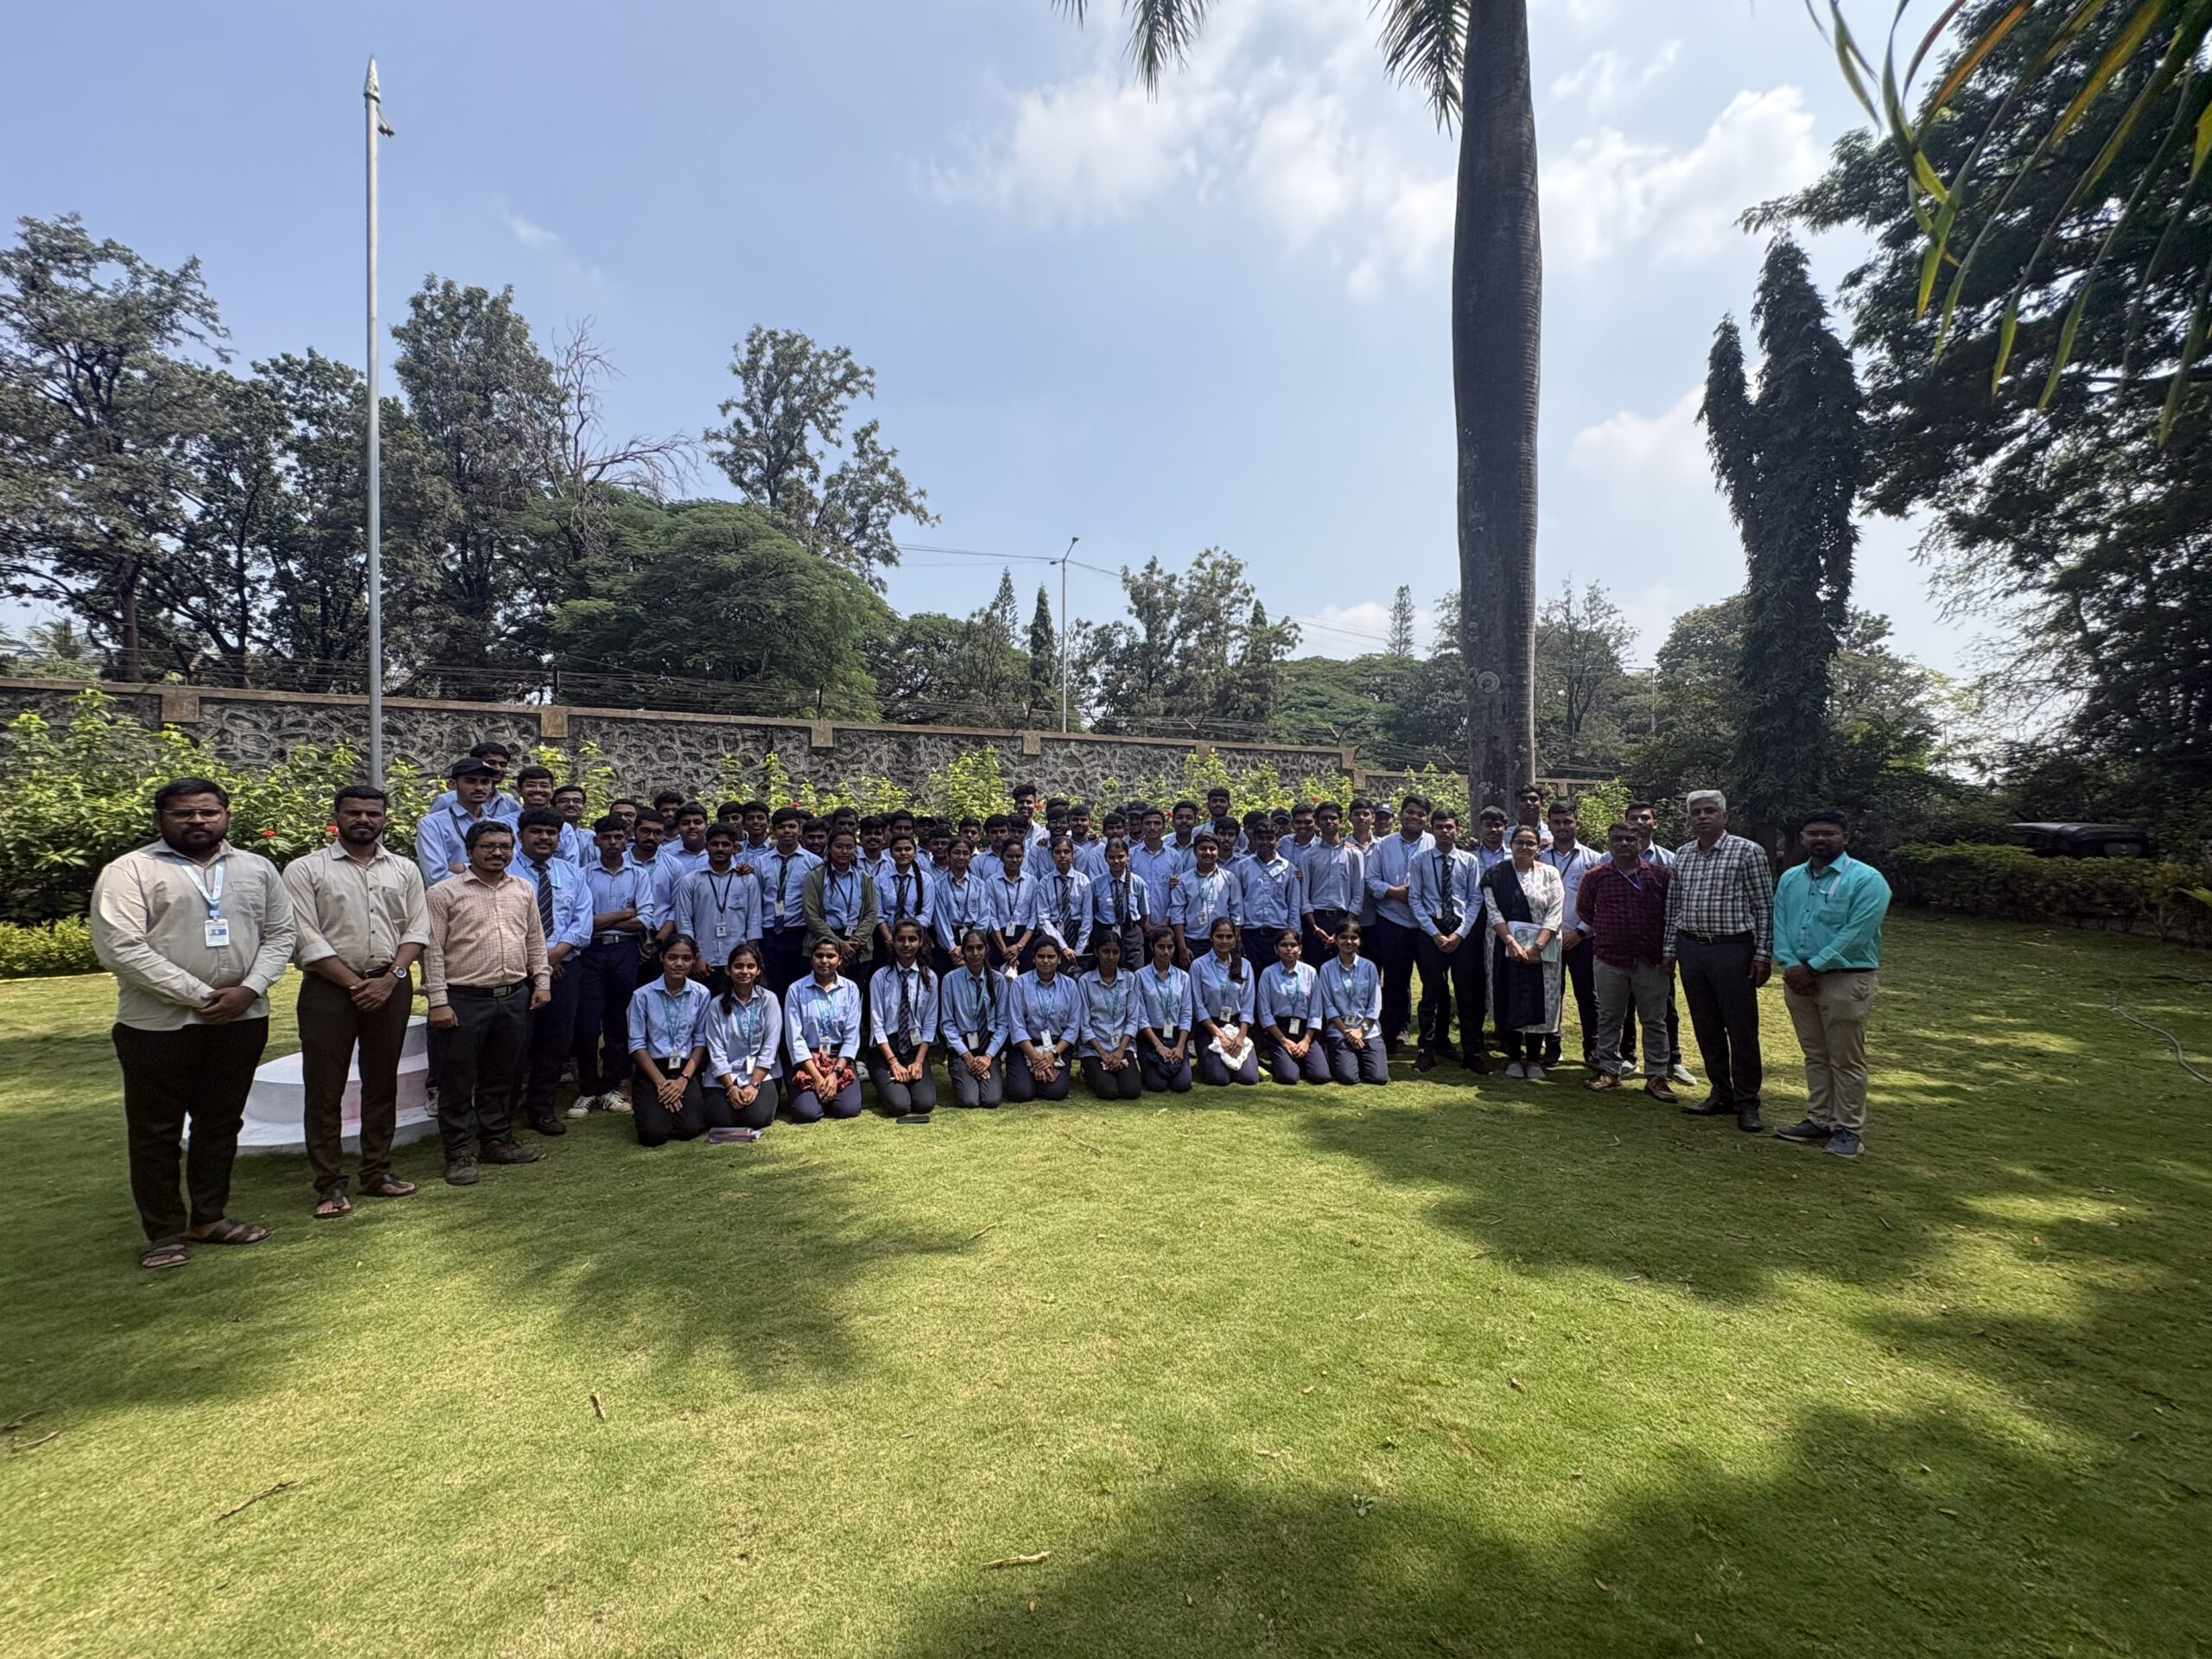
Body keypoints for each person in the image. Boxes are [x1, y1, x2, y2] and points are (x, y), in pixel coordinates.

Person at [92, 778, 296, 1269]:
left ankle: (209, 1216)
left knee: (221, 1122)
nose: (198, 821)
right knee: (156, 1130)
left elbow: (282, 932)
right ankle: (163, 1232)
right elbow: (120, 947)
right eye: (184, 814)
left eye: (208, 812)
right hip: (158, 1025)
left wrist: (249, 989)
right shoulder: (131, 871)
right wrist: (200, 995)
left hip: (243, 1017)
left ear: (226, 814)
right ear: (161, 819)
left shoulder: (255, 867)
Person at [282, 783, 428, 1217]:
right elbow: (304, 935)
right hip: (329, 990)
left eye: (372, 813)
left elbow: (417, 929)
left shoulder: (403, 869)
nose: (363, 820)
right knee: (325, 1088)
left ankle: (378, 1171)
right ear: (337, 817)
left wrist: (392, 978)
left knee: (381, 1081)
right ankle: (329, 1185)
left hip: (391, 983)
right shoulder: (306, 870)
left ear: (385, 819)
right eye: (354, 813)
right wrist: (353, 983)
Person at [423, 819, 550, 1185]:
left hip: (513, 996)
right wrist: (438, 1000)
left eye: (504, 846)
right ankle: (460, 1152)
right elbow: (432, 951)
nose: (498, 853)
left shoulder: (523, 889)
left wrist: (541, 981)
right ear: (470, 851)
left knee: (503, 1076)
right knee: (458, 1079)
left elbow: (535, 941)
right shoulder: (444, 893)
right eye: (488, 846)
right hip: (463, 998)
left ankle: (497, 1140)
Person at [1771, 810, 1892, 1160]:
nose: (1820, 839)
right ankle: (1819, 1119)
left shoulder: (1867, 880)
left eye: (1828, 833)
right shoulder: (1792, 878)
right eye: (1812, 833)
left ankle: (1848, 1129)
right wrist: (1791, 964)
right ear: (1802, 837)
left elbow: (1857, 933)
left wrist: (1814, 965)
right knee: (1815, 1055)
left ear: (1845, 838)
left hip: (1845, 979)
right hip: (1798, 979)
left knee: (1845, 1058)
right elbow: (1780, 922)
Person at [1662, 790, 1776, 1134]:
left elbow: (1765, 907)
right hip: (1692, 949)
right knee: (1706, 1025)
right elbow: (1674, 906)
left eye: (1710, 811)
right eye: (1696, 812)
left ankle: (1747, 1102)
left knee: (1741, 1028)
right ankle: (1720, 1093)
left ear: (1724, 816)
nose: (1703, 817)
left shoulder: (1747, 851)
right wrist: (1669, 949)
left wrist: (1763, 954)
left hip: (1733, 950)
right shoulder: (1683, 854)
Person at [1575, 822, 1676, 1103]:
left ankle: (1657, 1075)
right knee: (1609, 1017)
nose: (1623, 844)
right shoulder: (1595, 877)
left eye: (1630, 839)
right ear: (1609, 843)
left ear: (1641, 843)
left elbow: (1672, 913)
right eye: (1617, 839)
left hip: (1650, 958)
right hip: (1609, 957)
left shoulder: (1659, 876)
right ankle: (1608, 1068)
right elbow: (1584, 909)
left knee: (1654, 1020)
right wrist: (1609, 928)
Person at [510, 808, 594, 1135]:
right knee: (516, 1042)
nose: (544, 838)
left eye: (551, 832)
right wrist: (538, 964)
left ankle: (542, 1110)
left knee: (555, 1040)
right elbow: (506, 923)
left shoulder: (572, 873)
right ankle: (503, 1112)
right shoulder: (508, 871)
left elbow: (582, 922)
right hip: (518, 971)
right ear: (521, 836)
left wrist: (554, 957)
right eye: (537, 831)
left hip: (565, 969)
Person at [573, 816, 654, 1116]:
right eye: (606, 837)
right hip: (590, 952)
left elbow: (644, 918)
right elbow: (583, 921)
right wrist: (621, 914)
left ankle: (612, 1087)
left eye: (618, 837)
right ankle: (587, 1089)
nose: (613, 843)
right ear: (596, 841)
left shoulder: (639, 874)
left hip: (625, 951)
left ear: (626, 839)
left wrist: (604, 920)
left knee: (619, 1019)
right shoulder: (582, 874)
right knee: (588, 1022)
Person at [1616, 800, 1693, 1086]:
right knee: (1625, 1004)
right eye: (1633, 817)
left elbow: (1677, 904)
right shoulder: (1609, 859)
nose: (1639, 822)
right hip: (1622, 946)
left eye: (1645, 818)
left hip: (1658, 947)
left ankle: (1673, 1060)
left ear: (1654, 823)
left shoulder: (1669, 860)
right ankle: (1628, 1057)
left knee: (1664, 1007)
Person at [1481, 826, 1565, 1080]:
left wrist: (1537, 945)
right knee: (1511, 995)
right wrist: (1511, 943)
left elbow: (1555, 911)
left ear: (1539, 847)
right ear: (1511, 844)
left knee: (1540, 999)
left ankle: (1534, 1059)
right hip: (1504, 946)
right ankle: (1514, 1058)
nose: (1525, 847)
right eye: (1520, 842)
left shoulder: (1550, 874)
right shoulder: (1496, 873)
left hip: (1543, 948)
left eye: (1530, 843)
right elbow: (1493, 910)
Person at [626, 934, 725, 1146]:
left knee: (689, 1129)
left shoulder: (701, 994)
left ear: (695, 959)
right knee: (653, 1135)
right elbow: (636, 1045)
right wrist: (662, 1083)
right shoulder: (642, 996)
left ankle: (675, 1104)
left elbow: (700, 1041)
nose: (679, 963)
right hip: (652, 1068)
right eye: (672, 957)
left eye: (686, 958)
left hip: (686, 1067)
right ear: (661, 958)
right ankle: (653, 1107)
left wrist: (682, 1081)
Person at [1409, 808, 1487, 1074]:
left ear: (1457, 829)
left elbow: (1476, 899)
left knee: (1467, 994)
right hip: (1432, 932)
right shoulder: (1420, 861)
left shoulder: (1469, 861)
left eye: (1449, 827)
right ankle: (1426, 1050)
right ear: (1432, 829)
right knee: (1430, 994)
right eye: (1440, 826)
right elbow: (1415, 899)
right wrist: (1435, 933)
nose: (1445, 831)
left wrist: (1460, 934)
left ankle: (1472, 1052)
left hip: (1461, 933)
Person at [1363, 793, 1433, 1052]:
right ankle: (1390, 1036)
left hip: (1428, 924)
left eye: (1420, 813)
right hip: (1392, 921)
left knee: (1432, 982)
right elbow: (1371, 880)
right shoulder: (1384, 845)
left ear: (1426, 818)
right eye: (1410, 812)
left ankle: (1433, 1038)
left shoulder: (1434, 843)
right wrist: (1394, 892)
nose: (1414, 817)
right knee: (1395, 982)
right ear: (1401, 815)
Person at [1540, 801, 1603, 1069]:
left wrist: (1580, 932)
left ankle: (1593, 1048)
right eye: (1557, 822)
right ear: (1549, 824)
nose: (1563, 827)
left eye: (1568, 822)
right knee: (1551, 994)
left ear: (1577, 823)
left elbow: (1600, 902)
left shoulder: (1593, 859)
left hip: (1583, 938)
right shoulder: (1539, 858)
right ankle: (1552, 1047)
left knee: (1588, 995)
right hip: (1549, 938)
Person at [671, 825, 762, 992]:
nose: (720, 849)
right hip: (704, 960)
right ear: (706, 846)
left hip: (737, 961)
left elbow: (754, 922)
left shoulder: (748, 880)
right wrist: (695, 957)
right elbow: (684, 923)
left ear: (734, 848)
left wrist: (748, 959)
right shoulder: (691, 881)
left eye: (725, 844)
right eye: (715, 844)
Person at [803, 829, 880, 1025]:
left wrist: (853, 943)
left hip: (858, 946)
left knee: (854, 996)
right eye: (839, 846)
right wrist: (838, 944)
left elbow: (872, 913)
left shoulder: (864, 877)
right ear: (829, 848)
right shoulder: (816, 877)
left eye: (849, 847)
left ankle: (852, 1044)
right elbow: (811, 915)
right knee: (823, 995)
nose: (844, 851)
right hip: (825, 942)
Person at [704, 942, 782, 1131]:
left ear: (758, 970)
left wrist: (753, 1085)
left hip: (761, 1073)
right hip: (726, 1074)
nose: (744, 971)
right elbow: (716, 1050)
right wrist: (730, 1088)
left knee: (757, 1118)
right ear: (728, 970)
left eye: (750, 966)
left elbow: (770, 1047)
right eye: (738, 966)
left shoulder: (769, 1000)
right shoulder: (716, 1005)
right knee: (721, 1120)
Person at [868, 918, 940, 1120]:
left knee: (924, 1104)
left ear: (920, 942)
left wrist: (918, 1062)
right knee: (899, 1105)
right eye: (900, 939)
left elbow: (930, 1024)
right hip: (886, 1050)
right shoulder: (881, 977)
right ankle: (886, 1081)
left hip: (915, 1048)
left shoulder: (930, 978)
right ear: (892, 942)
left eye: (912, 939)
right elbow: (877, 1025)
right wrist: (893, 1063)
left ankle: (905, 1078)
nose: (906, 945)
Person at [785, 938, 865, 1121]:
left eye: (831, 956)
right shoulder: (796, 989)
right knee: (807, 1113)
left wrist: (835, 1075)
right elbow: (794, 1039)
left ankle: (829, 1094)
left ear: (840, 960)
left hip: (839, 1058)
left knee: (848, 1109)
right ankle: (818, 1095)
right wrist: (817, 1077)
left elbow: (852, 1037)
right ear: (811, 958)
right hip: (808, 1058)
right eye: (819, 955)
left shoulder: (850, 989)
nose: (824, 960)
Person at [940, 928, 1009, 1109]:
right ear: (963, 951)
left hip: (989, 1046)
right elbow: (947, 1024)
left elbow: (1003, 1024)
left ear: (987, 949)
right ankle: (962, 1070)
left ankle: (987, 1068)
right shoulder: (950, 980)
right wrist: (969, 1057)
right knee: (969, 1100)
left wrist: (988, 1057)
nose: (975, 953)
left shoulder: (998, 980)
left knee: (991, 1100)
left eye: (980, 947)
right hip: (962, 1047)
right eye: (970, 949)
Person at [415, 755, 509, 887]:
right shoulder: (432, 824)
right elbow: (435, 876)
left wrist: (465, 867)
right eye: (470, 781)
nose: (479, 788)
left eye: (485, 782)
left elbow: (507, 870)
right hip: (452, 902)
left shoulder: (497, 826)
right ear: (453, 784)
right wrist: (487, 876)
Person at [1316, 922, 1389, 1085]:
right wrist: (1348, 1032)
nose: (1348, 942)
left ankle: (1360, 1058)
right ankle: (1345, 1057)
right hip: (1340, 1031)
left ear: (1359, 941)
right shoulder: (1326, 969)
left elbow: (1375, 1004)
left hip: (1368, 1031)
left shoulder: (1369, 967)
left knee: (1379, 1078)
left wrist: (1360, 1030)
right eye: (1343, 937)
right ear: (1335, 939)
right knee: (1349, 1078)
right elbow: (1328, 1005)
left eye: (1353, 938)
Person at [758, 806, 820, 995]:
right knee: (773, 986)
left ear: (799, 829)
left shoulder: (813, 862)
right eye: (782, 827)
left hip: (799, 932)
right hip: (769, 932)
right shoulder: (761, 862)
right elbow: (757, 900)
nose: (787, 831)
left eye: (792, 827)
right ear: (773, 830)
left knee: (799, 986)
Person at [1192, 917, 1261, 1086]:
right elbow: (1198, 1006)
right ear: (1211, 938)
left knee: (1249, 1078)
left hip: (1237, 1028)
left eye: (1229, 936)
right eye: (1219, 936)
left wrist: (1240, 1037)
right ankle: (1206, 1061)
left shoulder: (1244, 965)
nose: (1224, 941)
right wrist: (1220, 1036)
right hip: (1210, 1028)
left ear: (1235, 938)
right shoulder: (1198, 966)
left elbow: (1248, 1005)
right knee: (1219, 1079)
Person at [1076, 931, 1144, 1100]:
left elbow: (1132, 1019)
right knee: (1109, 1091)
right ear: (1097, 952)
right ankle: (1088, 1070)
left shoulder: (1130, 979)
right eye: (1106, 952)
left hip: (1122, 1046)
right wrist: (1103, 1053)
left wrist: (1120, 1050)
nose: (1111, 957)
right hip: (1094, 1048)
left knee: (1131, 1091)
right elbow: (1084, 1025)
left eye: (1115, 952)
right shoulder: (1085, 981)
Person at [1007, 938, 1077, 1102]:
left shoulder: (1070, 986)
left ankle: (1036, 1076)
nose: (1046, 961)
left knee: (1056, 1092)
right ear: (1033, 958)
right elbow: (1016, 1026)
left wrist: (1052, 1055)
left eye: (1051, 957)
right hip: (1026, 1046)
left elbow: (1073, 1027)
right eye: (1041, 956)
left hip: (1056, 1047)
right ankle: (1031, 1075)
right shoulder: (1020, 984)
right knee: (1020, 1093)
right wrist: (1036, 1058)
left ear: (1059, 959)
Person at [1257, 929, 1328, 1084]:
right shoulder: (1268, 974)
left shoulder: (1310, 972)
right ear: (1276, 949)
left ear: (1300, 948)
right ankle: (1280, 1061)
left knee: (1321, 1076)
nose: (1289, 949)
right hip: (1279, 1031)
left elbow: (1316, 1012)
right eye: (1284, 945)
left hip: (1305, 1031)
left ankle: (1300, 1059)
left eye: (1293, 945)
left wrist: (1306, 1041)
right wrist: (1283, 1040)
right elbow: (1265, 1013)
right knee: (1289, 1077)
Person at [1234, 819, 1301, 978]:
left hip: (1278, 934)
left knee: (1278, 979)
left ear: (1277, 840)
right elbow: (1237, 905)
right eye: (1261, 838)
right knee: (1251, 979)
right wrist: (1237, 937)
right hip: (1250, 935)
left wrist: (1294, 937)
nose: (1265, 842)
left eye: (1270, 838)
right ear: (1254, 839)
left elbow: (1293, 905)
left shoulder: (1288, 868)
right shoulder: (1242, 867)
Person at [1299, 801, 1363, 968]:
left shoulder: (1354, 854)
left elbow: (1357, 895)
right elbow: (1304, 895)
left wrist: (1344, 928)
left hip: (1343, 918)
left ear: (1341, 821)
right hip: (1316, 919)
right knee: (1314, 970)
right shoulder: (1308, 855)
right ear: (1317, 822)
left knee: (1343, 970)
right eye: (1324, 818)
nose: (1329, 822)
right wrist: (1314, 928)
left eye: (1333, 818)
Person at [1135, 926, 1195, 1093]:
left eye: (1170, 947)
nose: (1166, 952)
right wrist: (1158, 1046)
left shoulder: (1183, 977)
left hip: (1175, 1036)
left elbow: (1186, 1014)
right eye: (1161, 947)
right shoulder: (1140, 976)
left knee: (1182, 1085)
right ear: (1152, 947)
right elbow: (1141, 1016)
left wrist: (1180, 1046)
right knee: (1157, 1085)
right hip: (1150, 1037)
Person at [1173, 832, 1236, 967]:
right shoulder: (1183, 881)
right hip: (1192, 943)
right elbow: (1177, 917)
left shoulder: (1229, 878)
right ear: (1195, 852)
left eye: (1212, 849)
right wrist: (1183, 948)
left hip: (1222, 942)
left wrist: (1233, 943)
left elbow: (1237, 913)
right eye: (1203, 848)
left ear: (1218, 851)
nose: (1208, 852)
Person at [1090, 836, 1151, 969]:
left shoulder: (1138, 882)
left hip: (1131, 934)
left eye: (1121, 856)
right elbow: (1093, 911)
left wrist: (1130, 926)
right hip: (1104, 933)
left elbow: (1144, 914)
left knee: (1135, 973)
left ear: (1128, 856)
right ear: (1105, 858)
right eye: (1111, 857)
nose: (1116, 861)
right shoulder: (1097, 884)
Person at [876, 831, 934, 963]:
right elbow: (878, 914)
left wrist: (908, 937)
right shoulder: (880, 879)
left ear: (914, 853)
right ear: (890, 853)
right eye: (898, 849)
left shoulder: (925, 880)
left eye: (908, 849)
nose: (903, 853)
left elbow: (926, 914)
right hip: (887, 940)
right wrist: (891, 940)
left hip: (915, 941)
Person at [988, 836, 1037, 973]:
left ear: (1023, 856)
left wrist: (1019, 946)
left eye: (1018, 856)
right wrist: (1005, 950)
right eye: (1009, 856)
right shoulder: (992, 882)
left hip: (1025, 939)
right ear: (1002, 857)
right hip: (999, 938)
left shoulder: (1032, 882)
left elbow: (1034, 917)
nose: (1014, 860)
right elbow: (991, 917)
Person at [1512, 784, 1555, 849]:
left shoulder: (1552, 834)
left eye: (1533, 799)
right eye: (1523, 800)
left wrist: (1554, 845)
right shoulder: (1506, 836)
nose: (1528, 803)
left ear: (1542, 804)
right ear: (1516, 804)